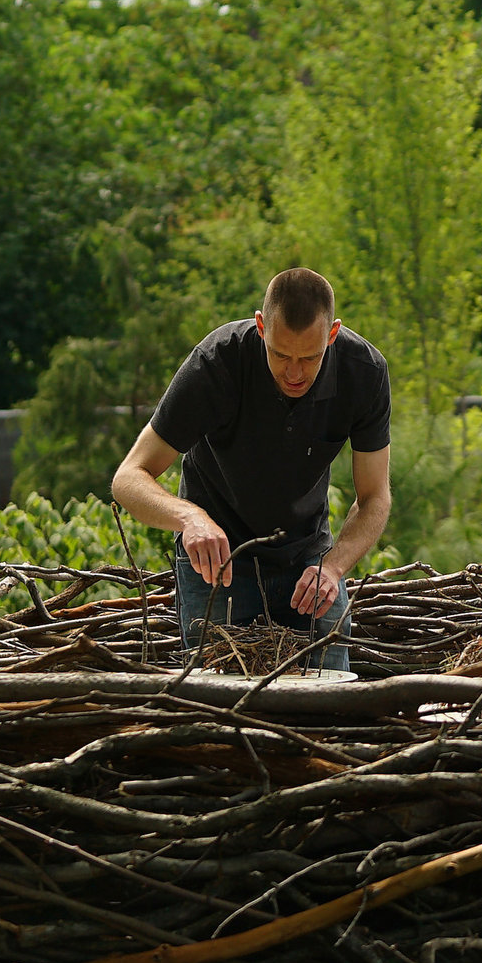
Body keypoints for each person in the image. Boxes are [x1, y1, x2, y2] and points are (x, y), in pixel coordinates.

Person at [112, 268, 391, 672]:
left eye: (309, 358)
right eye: (280, 355)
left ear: (333, 335)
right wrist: (191, 518)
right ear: (261, 327)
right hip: (217, 569)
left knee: (332, 712)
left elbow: (375, 497)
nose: (294, 373)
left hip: (310, 564)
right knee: (220, 718)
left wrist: (332, 567)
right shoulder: (215, 363)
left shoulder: (364, 372)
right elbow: (129, 477)